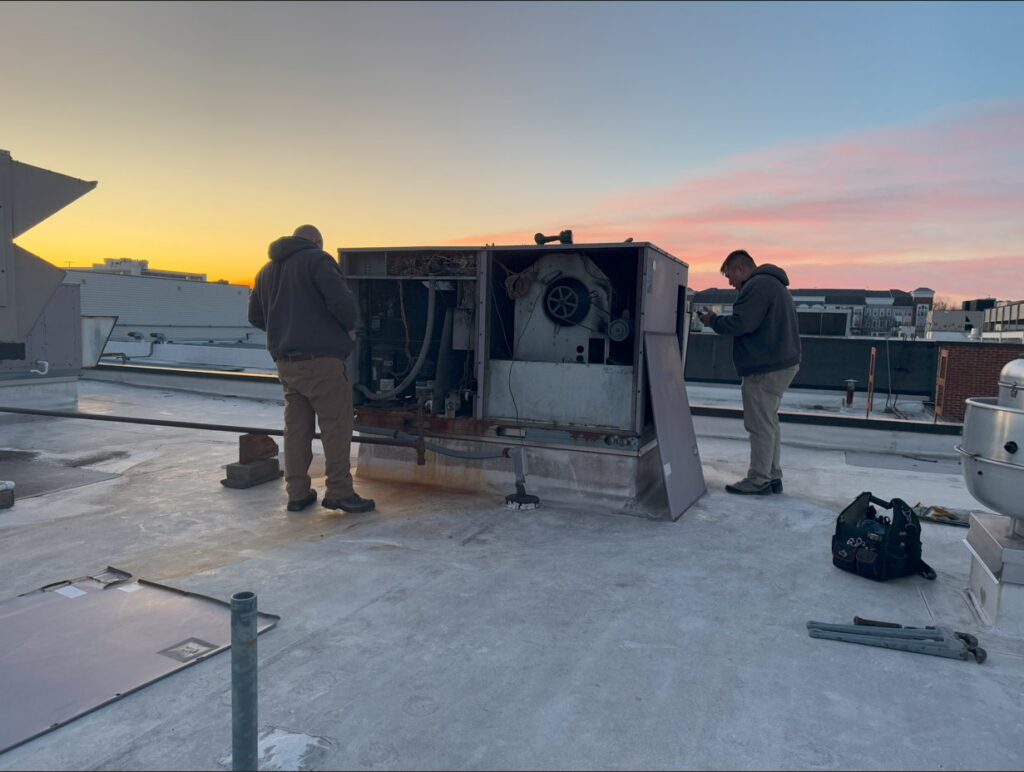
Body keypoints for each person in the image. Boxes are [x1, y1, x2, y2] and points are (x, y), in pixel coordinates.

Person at [248, 224, 375, 513]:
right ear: (317, 241)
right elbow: (341, 301)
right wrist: (351, 328)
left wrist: (284, 330)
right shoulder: (317, 259)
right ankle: (339, 491)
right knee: (336, 427)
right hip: (322, 360)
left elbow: (254, 315)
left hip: (286, 364)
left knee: (296, 430)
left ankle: (297, 493)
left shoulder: (266, 271)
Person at [697, 250, 801, 496]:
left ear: (741, 269)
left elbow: (741, 324)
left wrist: (712, 320)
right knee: (768, 422)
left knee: (759, 425)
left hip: (765, 368)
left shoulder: (756, 286)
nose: (730, 282)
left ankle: (759, 479)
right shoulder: (773, 284)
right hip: (781, 362)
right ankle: (772, 476)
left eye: (730, 275)